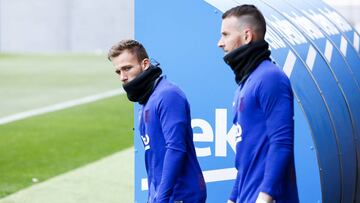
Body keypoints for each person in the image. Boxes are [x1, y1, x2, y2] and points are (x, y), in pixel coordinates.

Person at [217, 5, 299, 203]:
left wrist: (265, 197)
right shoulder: (245, 83)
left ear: (247, 36)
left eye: (226, 34)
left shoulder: (271, 78)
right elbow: (247, 157)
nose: (220, 43)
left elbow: (281, 143)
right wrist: (233, 197)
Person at [108, 39, 207, 203]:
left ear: (145, 64)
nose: (123, 77)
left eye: (127, 68)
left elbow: (176, 148)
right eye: (118, 72)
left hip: (180, 196)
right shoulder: (147, 100)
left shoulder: (168, 95)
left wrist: (161, 198)